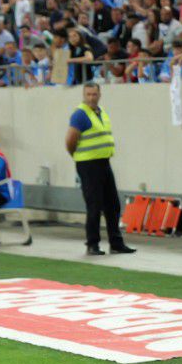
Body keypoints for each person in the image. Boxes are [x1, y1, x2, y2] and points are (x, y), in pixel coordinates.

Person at [65, 83, 135, 255]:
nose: (91, 98)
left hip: (103, 162)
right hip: (88, 165)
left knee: (112, 204)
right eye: (88, 94)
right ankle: (92, 244)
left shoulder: (101, 112)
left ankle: (116, 243)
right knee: (94, 205)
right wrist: (78, 156)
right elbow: (70, 140)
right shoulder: (80, 115)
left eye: (94, 94)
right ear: (83, 95)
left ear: (99, 94)